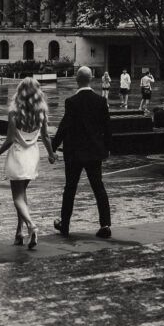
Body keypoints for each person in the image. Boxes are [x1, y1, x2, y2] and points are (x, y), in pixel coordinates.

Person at [0, 77, 56, 249]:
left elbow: (10, 139)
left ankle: (31, 226)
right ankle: (19, 232)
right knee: (23, 195)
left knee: (17, 197)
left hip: (18, 155)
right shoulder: (41, 112)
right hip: (32, 156)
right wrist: (51, 154)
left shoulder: (14, 112)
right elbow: (46, 136)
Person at [53, 66, 112, 239]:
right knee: (98, 187)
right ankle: (105, 224)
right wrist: (107, 149)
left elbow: (64, 126)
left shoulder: (71, 102)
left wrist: (52, 147)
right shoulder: (101, 101)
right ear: (91, 79)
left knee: (70, 189)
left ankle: (65, 225)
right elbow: (107, 128)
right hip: (94, 152)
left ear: (77, 80)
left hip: (74, 153)